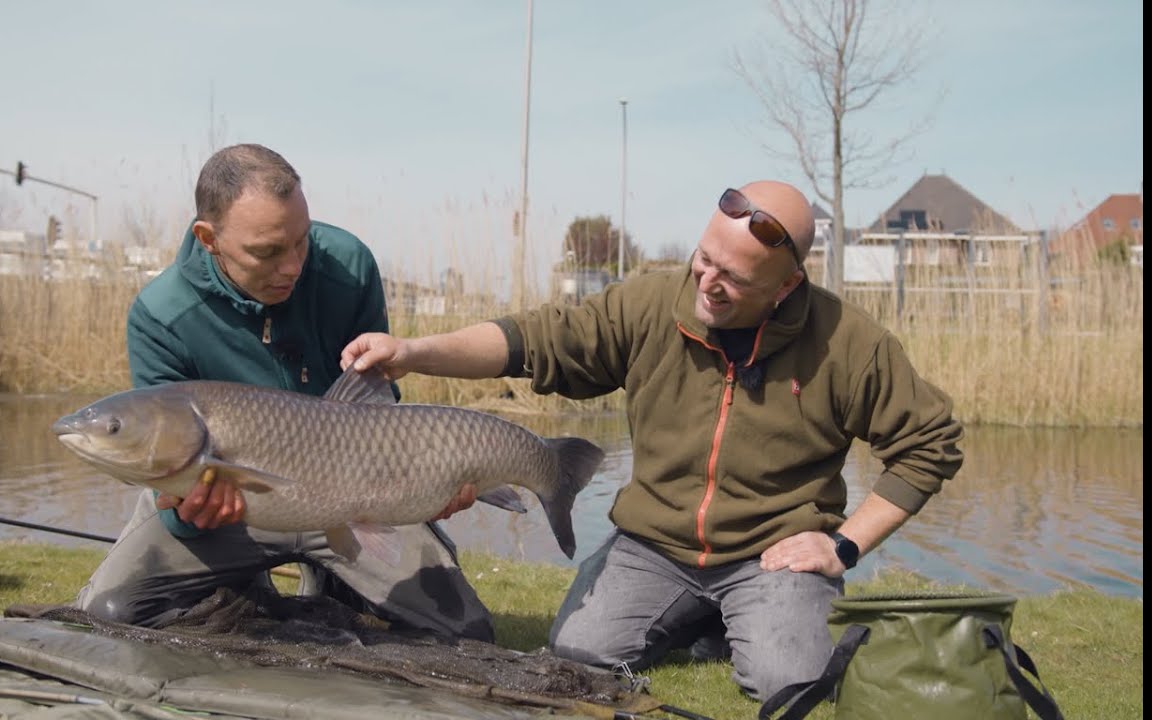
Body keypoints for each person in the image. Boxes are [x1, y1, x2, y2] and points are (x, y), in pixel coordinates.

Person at [340, 180, 964, 701]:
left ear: (785, 288)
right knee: (577, 657)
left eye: (733, 277)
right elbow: (535, 340)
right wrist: (415, 353)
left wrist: (844, 546)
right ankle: (702, 616)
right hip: (653, 546)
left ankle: (744, 616)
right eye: (704, 258)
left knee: (790, 683)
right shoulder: (650, 304)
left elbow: (930, 443)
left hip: (771, 551)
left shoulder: (849, 343)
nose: (706, 280)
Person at [74, 143, 494, 642]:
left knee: (465, 632)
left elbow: (378, 405)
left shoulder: (349, 265)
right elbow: (162, 473)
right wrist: (193, 516)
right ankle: (241, 585)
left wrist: (421, 488)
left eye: (301, 241)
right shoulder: (160, 316)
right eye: (268, 252)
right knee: (108, 614)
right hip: (231, 508)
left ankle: (335, 582)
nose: (292, 265)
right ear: (209, 239)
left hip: (353, 496)